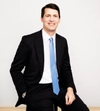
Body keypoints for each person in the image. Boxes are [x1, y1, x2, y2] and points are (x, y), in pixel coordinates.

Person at [10, 3, 90, 111]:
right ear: (41, 19)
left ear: (59, 19)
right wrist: (24, 93)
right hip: (37, 89)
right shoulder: (28, 41)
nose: (51, 19)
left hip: (58, 87)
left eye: (55, 16)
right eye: (48, 16)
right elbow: (15, 69)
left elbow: (66, 68)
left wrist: (70, 89)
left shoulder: (62, 41)